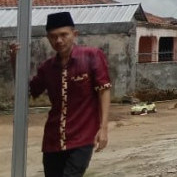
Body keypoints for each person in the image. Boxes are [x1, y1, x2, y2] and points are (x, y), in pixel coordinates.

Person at [10, 11, 111, 177]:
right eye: (53, 36)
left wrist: (104, 128)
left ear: (74, 34)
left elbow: (104, 90)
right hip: (52, 140)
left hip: (82, 136)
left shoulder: (92, 56)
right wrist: (15, 61)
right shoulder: (47, 68)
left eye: (64, 35)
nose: (58, 40)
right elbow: (28, 90)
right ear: (48, 38)